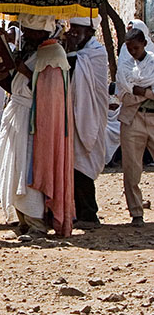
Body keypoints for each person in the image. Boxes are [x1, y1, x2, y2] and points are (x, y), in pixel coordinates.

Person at [0, 14, 74, 238]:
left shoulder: (54, 54)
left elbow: (48, 93)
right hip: (17, 115)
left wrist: (23, 70)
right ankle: (22, 219)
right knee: (15, 168)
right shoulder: (31, 52)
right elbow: (16, 85)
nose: (27, 36)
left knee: (29, 169)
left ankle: (36, 223)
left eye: (32, 32)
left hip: (35, 123)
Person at [64, 15, 109, 228]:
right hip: (73, 113)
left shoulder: (96, 53)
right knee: (71, 165)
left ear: (89, 32)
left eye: (78, 29)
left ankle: (89, 214)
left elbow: (79, 73)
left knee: (82, 165)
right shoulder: (76, 52)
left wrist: (71, 53)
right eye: (71, 27)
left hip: (89, 114)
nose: (72, 32)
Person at [116, 27, 154, 227]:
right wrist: (144, 91)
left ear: (144, 45)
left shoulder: (153, 62)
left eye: (136, 48)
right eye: (129, 49)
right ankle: (136, 212)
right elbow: (122, 93)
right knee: (132, 169)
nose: (133, 53)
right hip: (133, 118)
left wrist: (141, 91)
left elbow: (135, 91)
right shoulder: (124, 67)